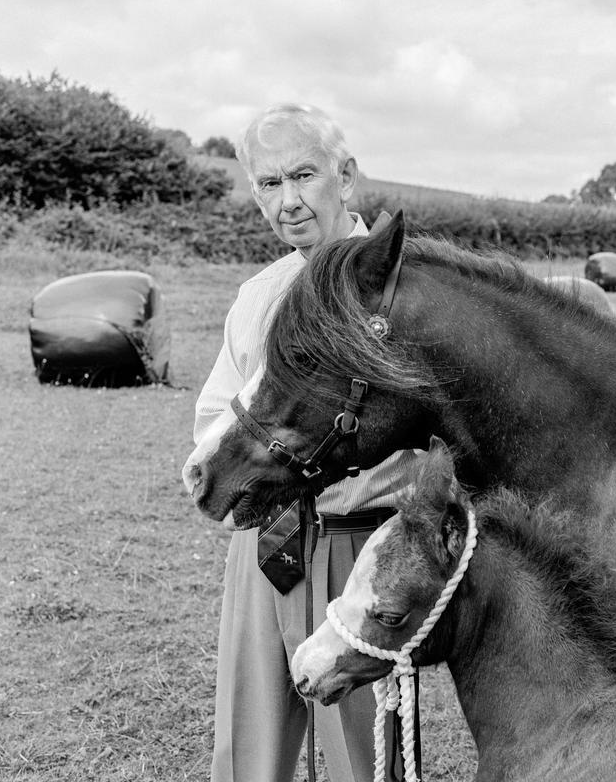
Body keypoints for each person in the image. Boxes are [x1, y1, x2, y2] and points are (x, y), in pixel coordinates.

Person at [191, 103, 425, 782]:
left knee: (365, 758)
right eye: (269, 184)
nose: (288, 201)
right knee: (247, 750)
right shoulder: (257, 295)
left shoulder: (402, 293)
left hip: (362, 545)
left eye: (303, 175)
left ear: (345, 177)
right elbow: (216, 414)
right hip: (263, 543)